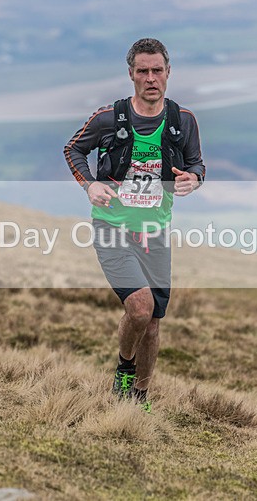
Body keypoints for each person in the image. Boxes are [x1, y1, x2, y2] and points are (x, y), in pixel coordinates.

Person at [64, 38, 206, 410]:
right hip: (112, 228)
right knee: (140, 309)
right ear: (131, 75)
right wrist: (89, 184)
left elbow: (196, 164)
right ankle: (124, 370)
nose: (150, 78)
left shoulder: (182, 121)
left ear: (168, 73)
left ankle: (139, 398)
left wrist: (194, 179)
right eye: (142, 71)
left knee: (154, 323)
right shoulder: (108, 118)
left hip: (155, 233)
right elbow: (73, 149)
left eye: (157, 70)